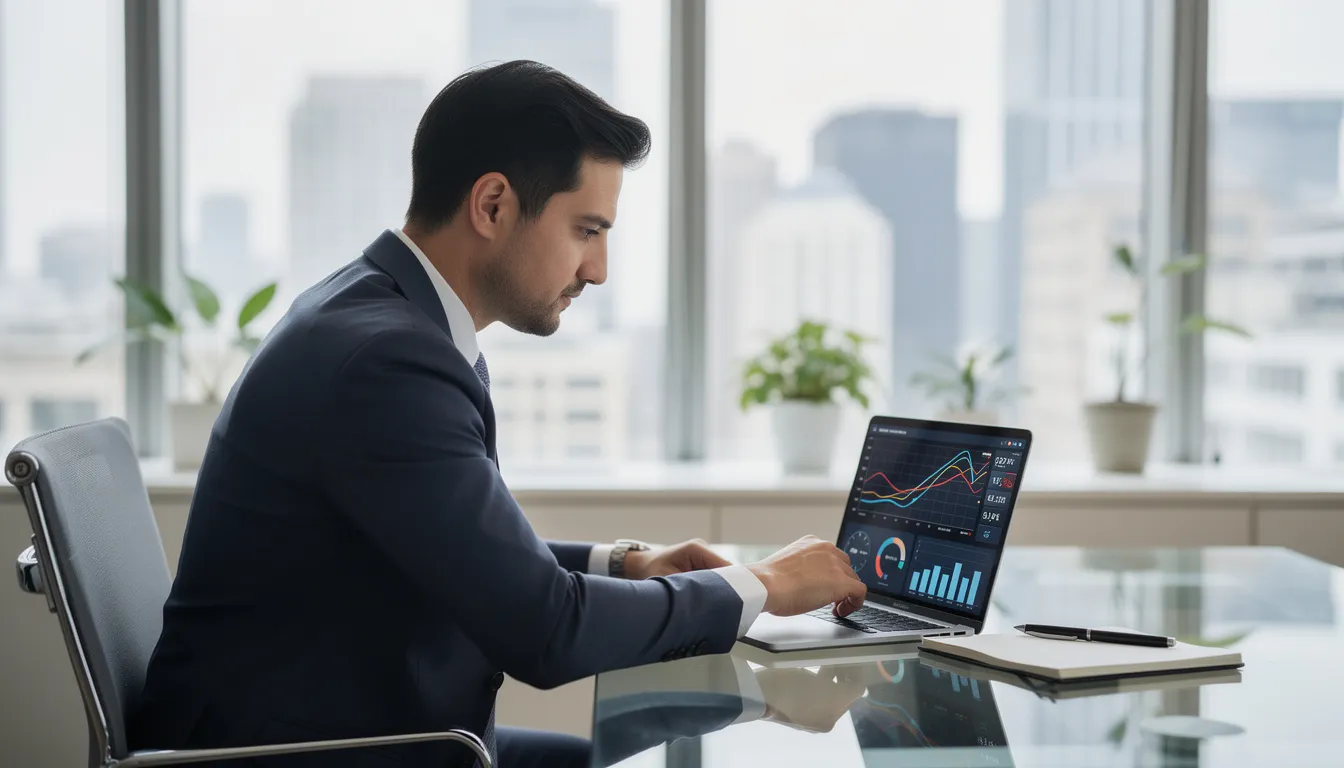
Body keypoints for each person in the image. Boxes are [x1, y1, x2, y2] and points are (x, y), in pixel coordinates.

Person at [129, 60, 867, 768]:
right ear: (492, 205)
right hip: (310, 755)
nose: (599, 270)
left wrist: (628, 564)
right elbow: (546, 633)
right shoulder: (388, 364)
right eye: (586, 230)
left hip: (357, 732)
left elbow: (461, 544)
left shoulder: (376, 316)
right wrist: (763, 586)